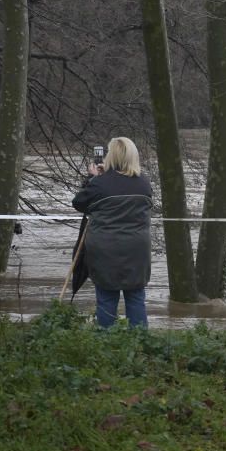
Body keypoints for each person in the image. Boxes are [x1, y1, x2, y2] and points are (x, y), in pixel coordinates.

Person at [72, 137, 153, 328]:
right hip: (137, 248)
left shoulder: (100, 183)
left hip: (105, 248)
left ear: (111, 156)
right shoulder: (144, 183)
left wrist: (92, 179)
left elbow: (79, 203)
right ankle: (141, 342)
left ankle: (106, 344)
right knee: (136, 297)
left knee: (107, 297)